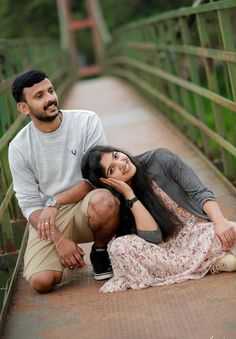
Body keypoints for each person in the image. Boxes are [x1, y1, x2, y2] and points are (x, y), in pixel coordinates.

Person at [8, 70, 120, 293]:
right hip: (50, 220)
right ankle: (66, 250)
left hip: (86, 203)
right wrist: (59, 241)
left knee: (106, 202)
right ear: (24, 108)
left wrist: (55, 202)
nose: (50, 98)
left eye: (50, 91)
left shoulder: (86, 121)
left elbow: (96, 177)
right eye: (39, 96)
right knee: (42, 282)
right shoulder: (19, 147)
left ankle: (100, 251)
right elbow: (30, 205)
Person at [80, 145, 236, 292]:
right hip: (165, 249)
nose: (121, 163)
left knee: (231, 231)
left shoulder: (160, 159)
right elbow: (153, 237)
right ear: (107, 182)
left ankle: (208, 262)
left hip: (198, 232)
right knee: (119, 247)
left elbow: (200, 192)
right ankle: (209, 261)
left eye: (116, 155)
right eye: (112, 169)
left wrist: (220, 222)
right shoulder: (117, 200)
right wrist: (130, 196)